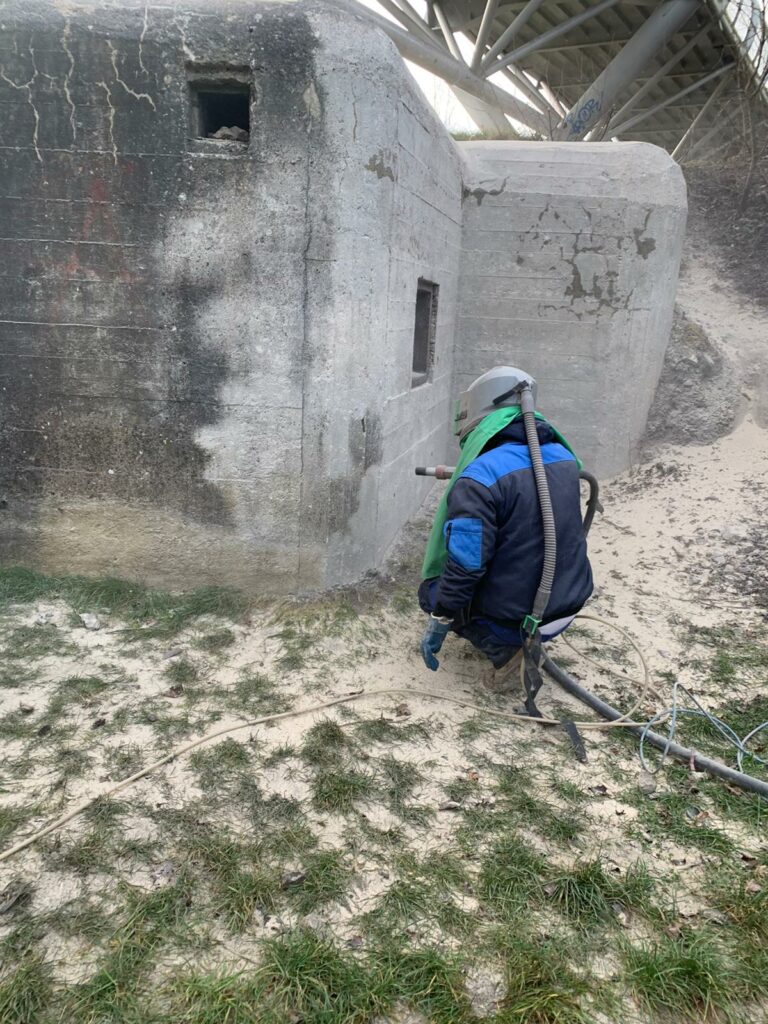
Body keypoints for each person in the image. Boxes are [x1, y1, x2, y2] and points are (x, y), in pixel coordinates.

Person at [418, 366, 593, 692]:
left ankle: (508, 651)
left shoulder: (480, 477)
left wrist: (440, 619)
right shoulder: (563, 457)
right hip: (568, 605)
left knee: (431, 593)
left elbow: (465, 568)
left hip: (524, 619)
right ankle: (518, 632)